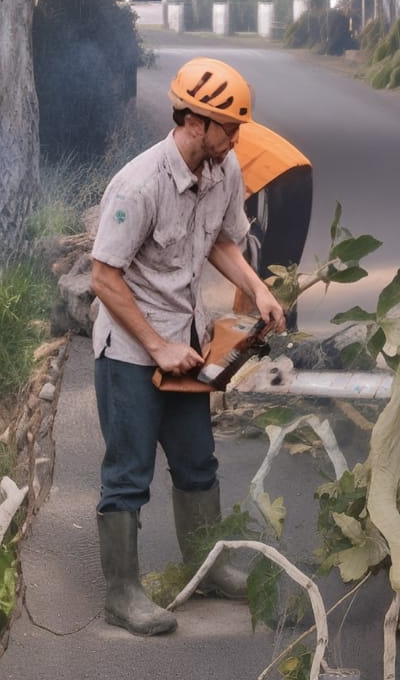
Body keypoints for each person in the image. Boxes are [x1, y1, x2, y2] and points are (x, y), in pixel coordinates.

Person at [88, 56, 286, 636]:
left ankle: (209, 564)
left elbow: (221, 242)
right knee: (128, 471)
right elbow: (104, 277)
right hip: (131, 349)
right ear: (195, 121)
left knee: (197, 461)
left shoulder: (224, 171)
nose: (237, 137)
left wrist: (257, 287)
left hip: (188, 344)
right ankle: (122, 594)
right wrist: (155, 345)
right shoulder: (139, 183)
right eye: (230, 127)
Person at [230, 122, 313, 328]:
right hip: (297, 167)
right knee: (283, 269)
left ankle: (251, 328)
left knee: (256, 253)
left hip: (266, 173)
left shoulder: (201, 145)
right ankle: (285, 334)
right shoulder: (221, 125)